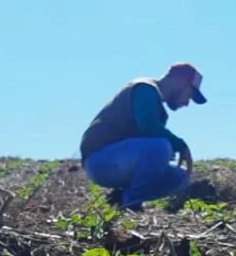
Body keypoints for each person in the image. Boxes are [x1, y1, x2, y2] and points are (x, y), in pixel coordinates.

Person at [79, 63, 206, 210]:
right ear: (181, 81)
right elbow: (148, 126)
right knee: (160, 147)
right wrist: (180, 144)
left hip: (120, 160)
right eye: (189, 94)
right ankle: (132, 204)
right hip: (99, 160)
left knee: (179, 177)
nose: (187, 103)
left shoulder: (157, 104)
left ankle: (120, 198)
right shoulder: (145, 88)